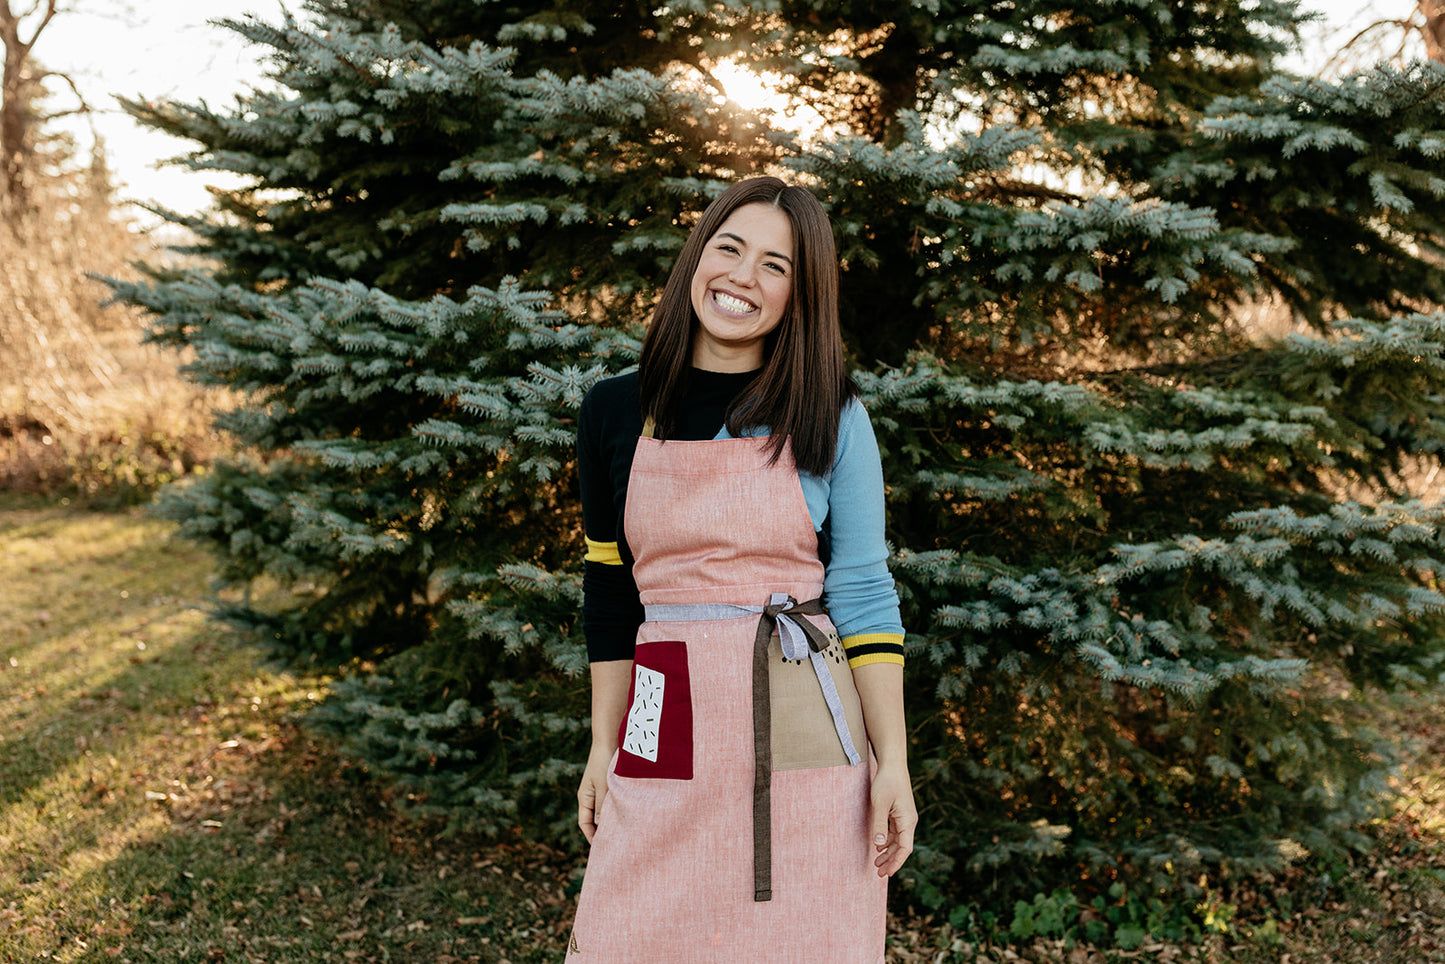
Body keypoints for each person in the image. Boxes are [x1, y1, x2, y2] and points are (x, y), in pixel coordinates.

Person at [566, 176, 916, 963]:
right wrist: (602, 744)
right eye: (729, 248)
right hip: (663, 701)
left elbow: (862, 589)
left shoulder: (831, 411)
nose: (740, 278)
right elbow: (611, 590)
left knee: (802, 933)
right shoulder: (614, 409)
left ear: (800, 295)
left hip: (804, 709)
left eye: (774, 266)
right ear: (697, 254)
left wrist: (891, 764)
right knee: (630, 927)